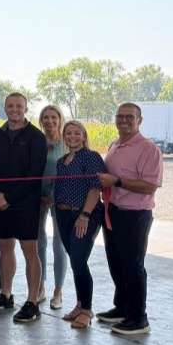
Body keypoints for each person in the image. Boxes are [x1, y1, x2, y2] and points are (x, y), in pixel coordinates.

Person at [0, 93, 47, 323]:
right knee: (4, 247)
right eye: (10, 106)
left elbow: (34, 175)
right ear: (4, 108)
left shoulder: (36, 137)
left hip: (25, 204)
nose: (15, 109)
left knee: (30, 251)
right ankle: (6, 295)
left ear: (26, 108)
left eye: (19, 106)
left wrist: (8, 198)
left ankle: (32, 302)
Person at [97, 103, 162, 335]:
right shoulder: (115, 144)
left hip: (134, 215)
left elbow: (150, 186)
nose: (124, 121)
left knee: (133, 265)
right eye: (120, 116)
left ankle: (138, 318)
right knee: (117, 262)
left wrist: (117, 181)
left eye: (129, 117)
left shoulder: (149, 149)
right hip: (112, 211)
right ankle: (122, 307)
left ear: (139, 120)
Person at [54, 121, 107, 329]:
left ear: (84, 136)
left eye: (77, 133)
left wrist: (85, 215)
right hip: (63, 214)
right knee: (75, 260)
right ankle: (79, 304)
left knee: (78, 260)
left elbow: (95, 188)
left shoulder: (91, 157)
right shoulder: (61, 161)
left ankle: (87, 310)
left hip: (85, 215)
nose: (72, 136)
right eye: (68, 133)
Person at [38, 105, 68, 309]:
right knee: (39, 242)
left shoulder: (67, 142)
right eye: (45, 118)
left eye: (53, 117)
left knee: (59, 244)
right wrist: (41, 194)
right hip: (38, 198)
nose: (50, 121)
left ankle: (58, 290)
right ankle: (40, 285)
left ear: (60, 119)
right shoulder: (37, 142)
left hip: (61, 198)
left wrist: (54, 194)